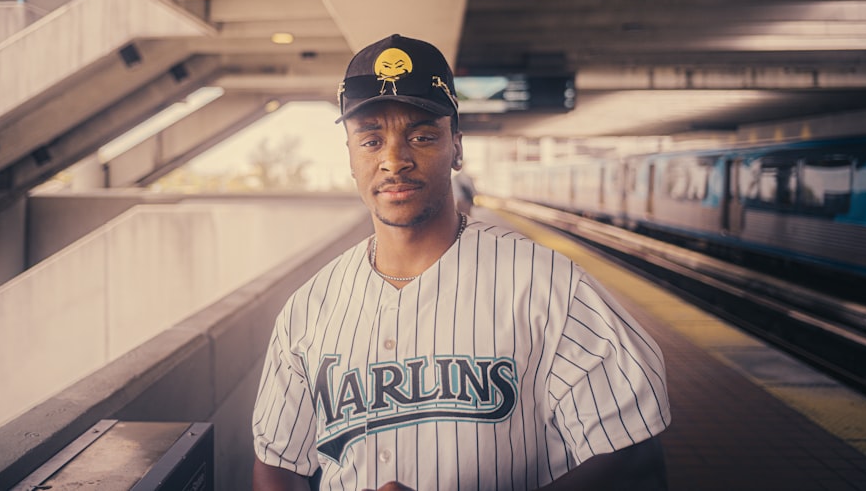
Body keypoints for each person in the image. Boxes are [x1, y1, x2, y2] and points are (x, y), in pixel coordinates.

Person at [252, 34, 671, 490]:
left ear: (457, 147)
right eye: (371, 140)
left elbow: (635, 460)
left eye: (422, 135)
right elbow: (277, 465)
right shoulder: (307, 309)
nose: (394, 159)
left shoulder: (551, 287)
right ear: (351, 157)